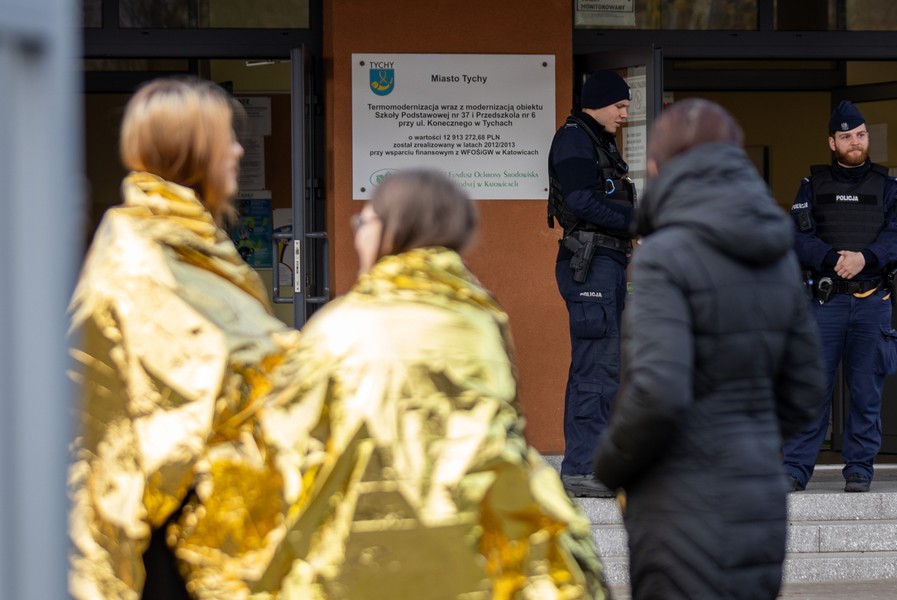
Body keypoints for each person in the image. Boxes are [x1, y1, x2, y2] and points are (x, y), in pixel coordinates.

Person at [253, 169, 611, 599]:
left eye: (364, 221)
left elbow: (290, 440)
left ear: (393, 229)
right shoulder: (480, 317)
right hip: (466, 545)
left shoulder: (343, 324)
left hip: (361, 550)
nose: (358, 233)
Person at [67, 76, 296, 599]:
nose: (239, 149)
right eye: (225, 138)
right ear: (190, 149)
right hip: (163, 525)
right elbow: (193, 375)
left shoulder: (191, 242)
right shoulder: (142, 251)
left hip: (200, 506)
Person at [593, 98, 825, 599]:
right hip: (758, 499)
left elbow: (657, 392)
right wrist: (749, 437)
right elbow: (807, 388)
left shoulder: (663, 258)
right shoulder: (779, 256)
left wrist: (608, 465)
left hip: (679, 504)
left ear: (658, 167)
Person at [784, 100, 897, 493]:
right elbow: (795, 236)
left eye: (860, 135)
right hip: (825, 304)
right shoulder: (812, 186)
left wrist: (864, 258)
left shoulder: (889, 187)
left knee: (866, 391)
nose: (855, 142)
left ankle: (859, 468)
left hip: (872, 300)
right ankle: (795, 470)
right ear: (831, 142)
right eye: (846, 137)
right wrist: (830, 258)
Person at [546, 69, 636, 498]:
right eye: (619, 105)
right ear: (597, 102)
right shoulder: (575, 139)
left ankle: (594, 462)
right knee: (594, 367)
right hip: (591, 263)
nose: (625, 113)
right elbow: (581, 198)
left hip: (606, 261)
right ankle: (582, 468)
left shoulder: (596, 140)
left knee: (605, 366)